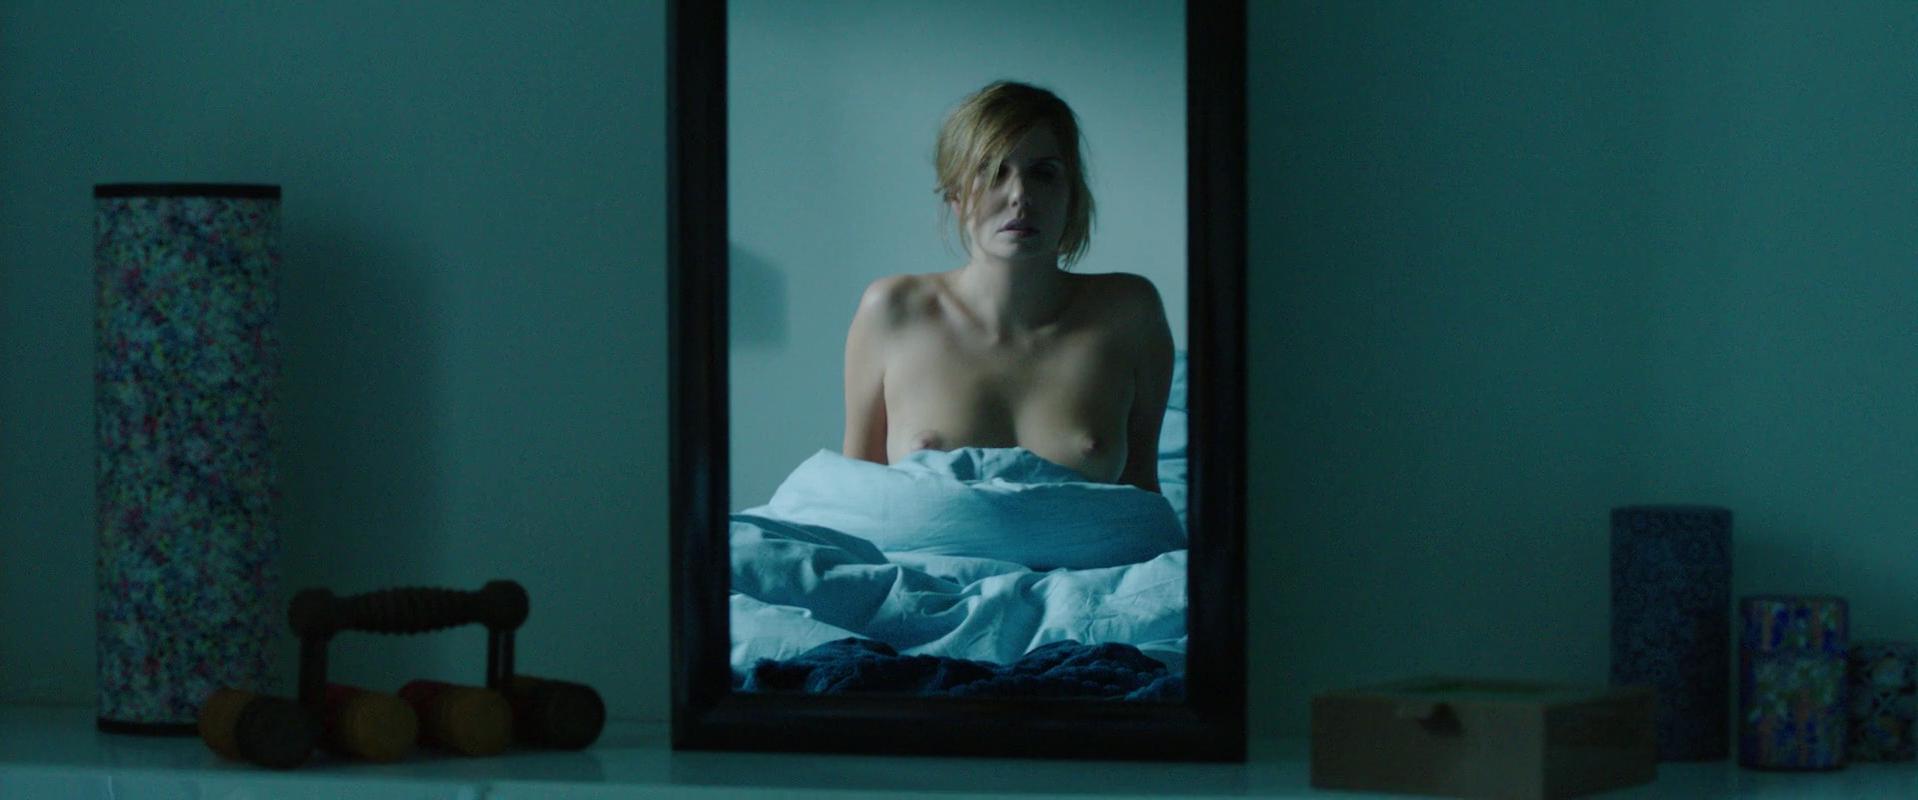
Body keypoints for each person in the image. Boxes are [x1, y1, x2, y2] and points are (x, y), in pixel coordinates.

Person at [841, 80, 1174, 492]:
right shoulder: (892, 311)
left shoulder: (1130, 313)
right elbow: (855, 497)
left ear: (1072, 194)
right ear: (955, 195)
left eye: (1044, 173)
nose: (1020, 195)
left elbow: (1142, 495)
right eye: (993, 172)